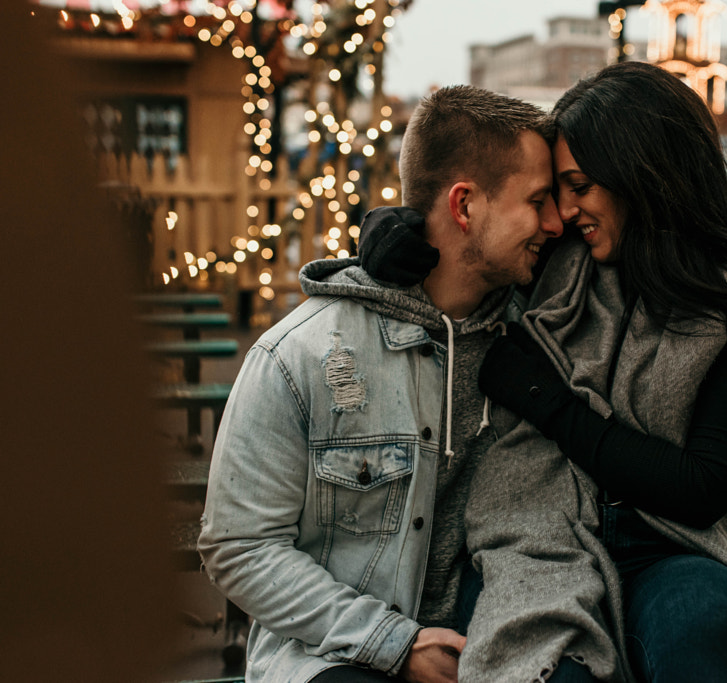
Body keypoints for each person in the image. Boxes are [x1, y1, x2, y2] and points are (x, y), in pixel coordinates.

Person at [359, 61, 727, 682]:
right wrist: (386, 230)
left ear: (644, 176)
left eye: (581, 185)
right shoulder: (563, 259)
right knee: (539, 662)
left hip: (676, 546)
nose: (563, 212)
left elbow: (701, 488)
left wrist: (547, 400)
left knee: (703, 621)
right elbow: (473, 232)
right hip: (542, 532)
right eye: (559, 190)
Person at [197, 85, 571, 683]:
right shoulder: (301, 355)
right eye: (538, 199)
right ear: (465, 205)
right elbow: (239, 547)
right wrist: (394, 642)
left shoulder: (541, 338)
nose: (557, 222)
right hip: (335, 652)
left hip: (501, 644)